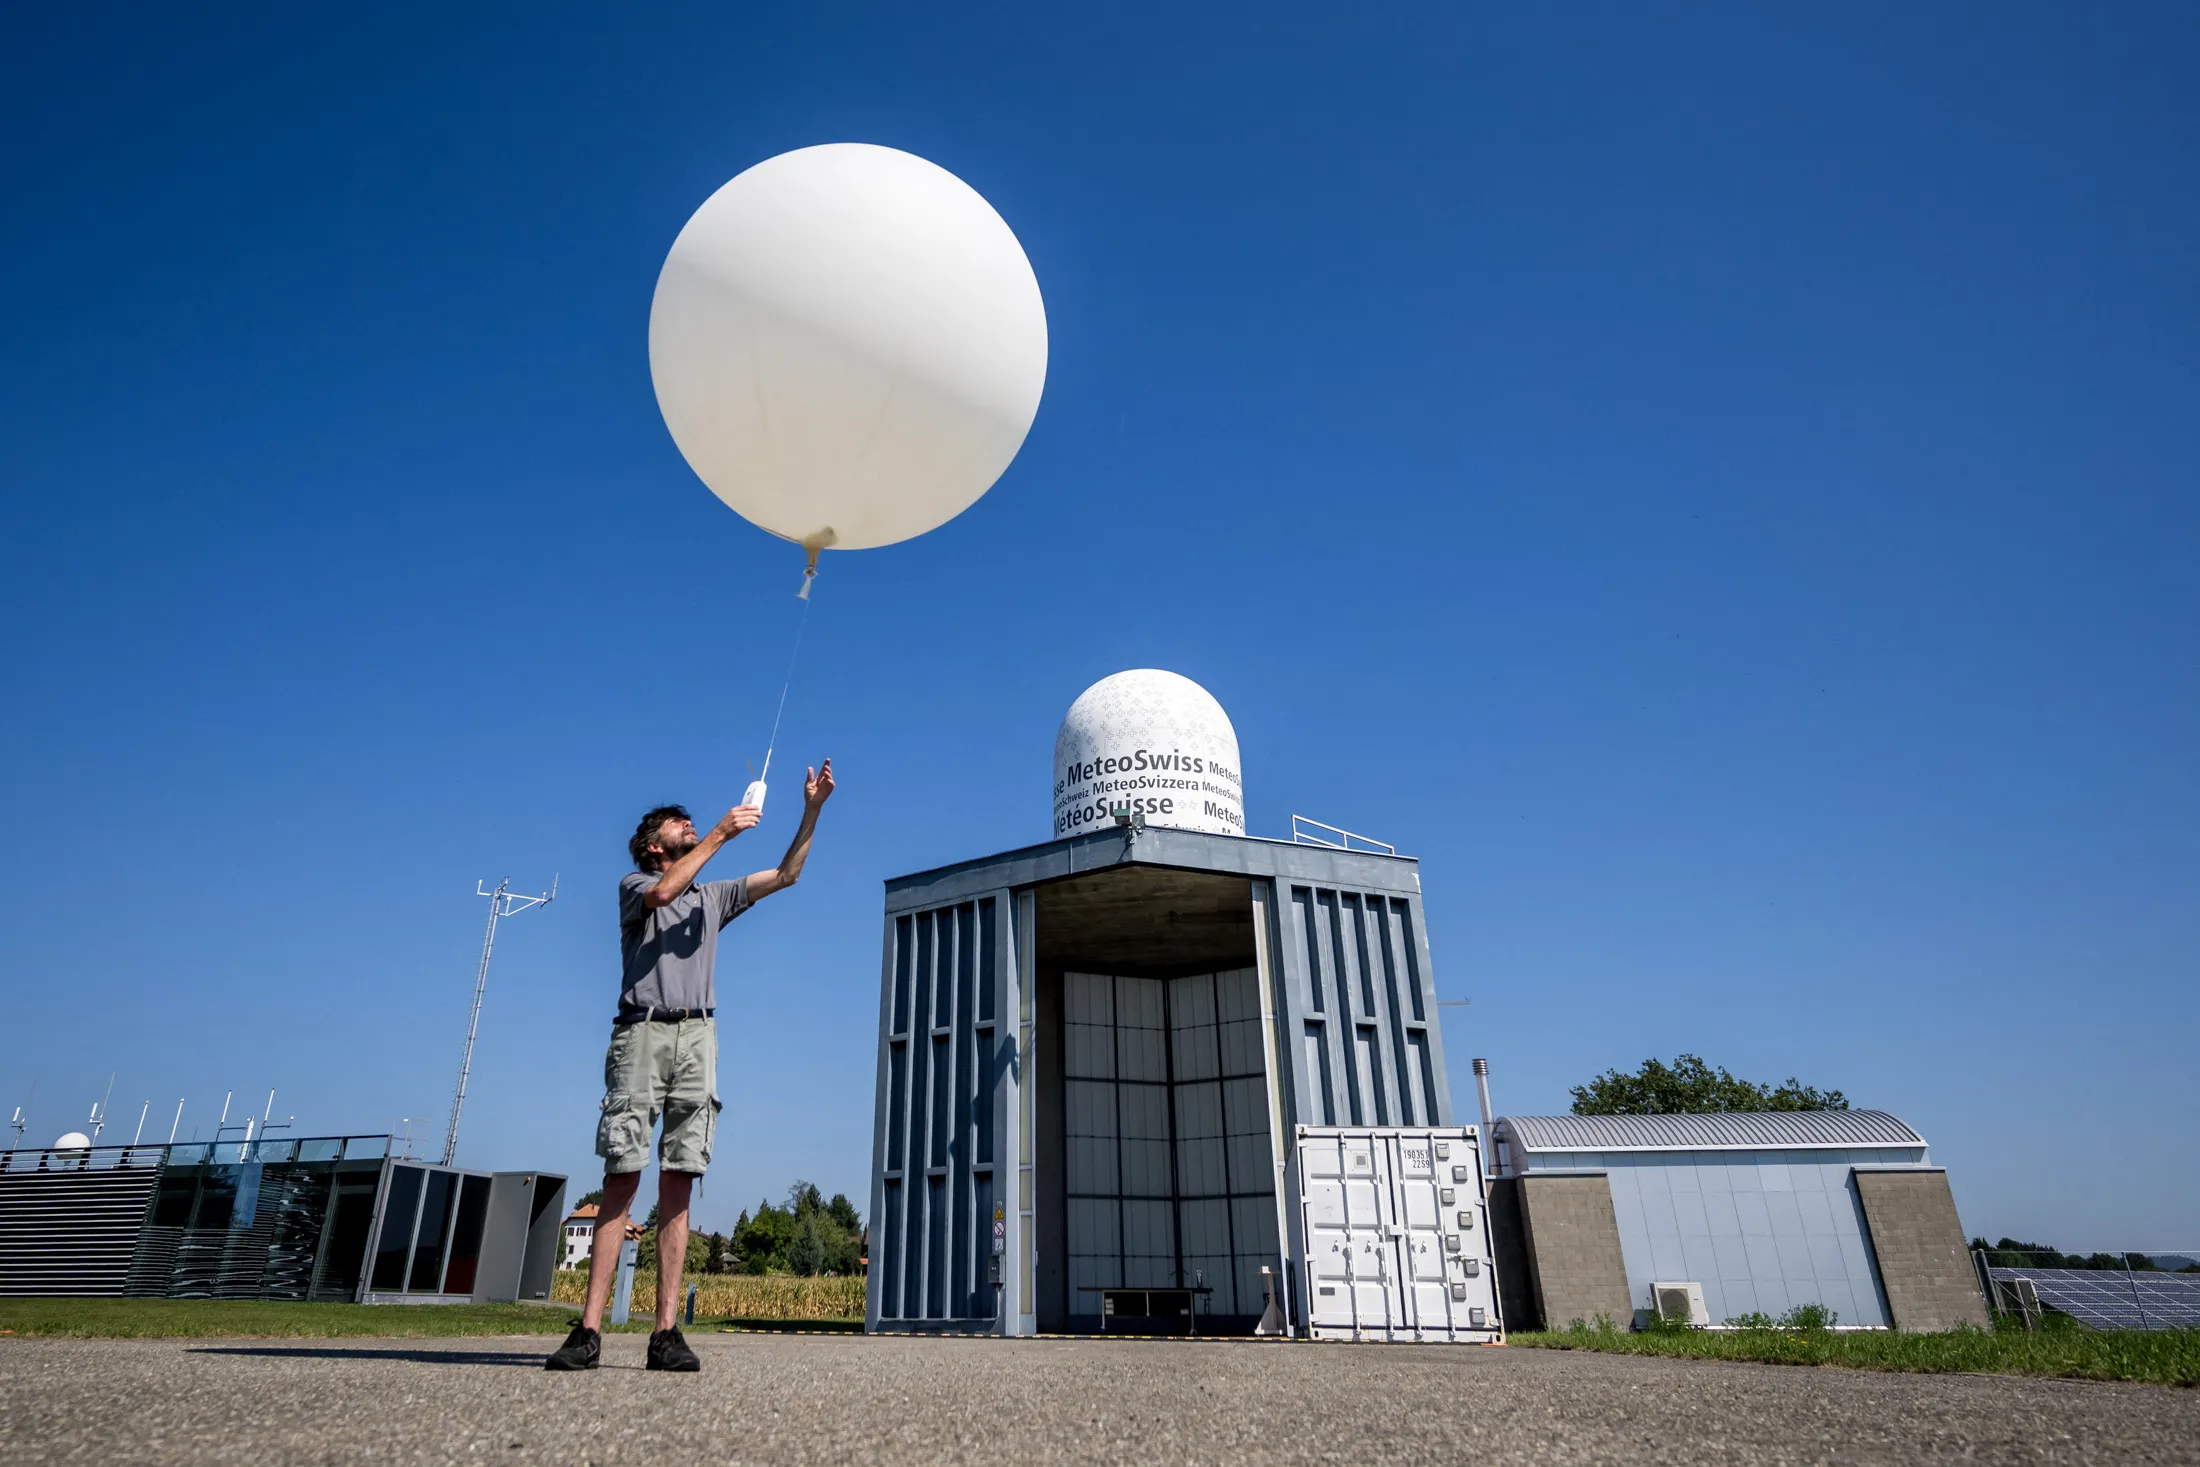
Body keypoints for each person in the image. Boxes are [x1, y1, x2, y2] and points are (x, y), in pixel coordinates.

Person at [545, 758, 835, 1372]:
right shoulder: (635, 886)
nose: (690, 823)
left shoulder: (713, 896)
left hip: (699, 1036)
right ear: (656, 843)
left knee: (680, 1179)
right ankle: (588, 1332)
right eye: (681, 824)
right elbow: (661, 892)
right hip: (641, 1034)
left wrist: (812, 810)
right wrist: (722, 834)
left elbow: (787, 874)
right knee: (622, 1176)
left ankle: (666, 1334)